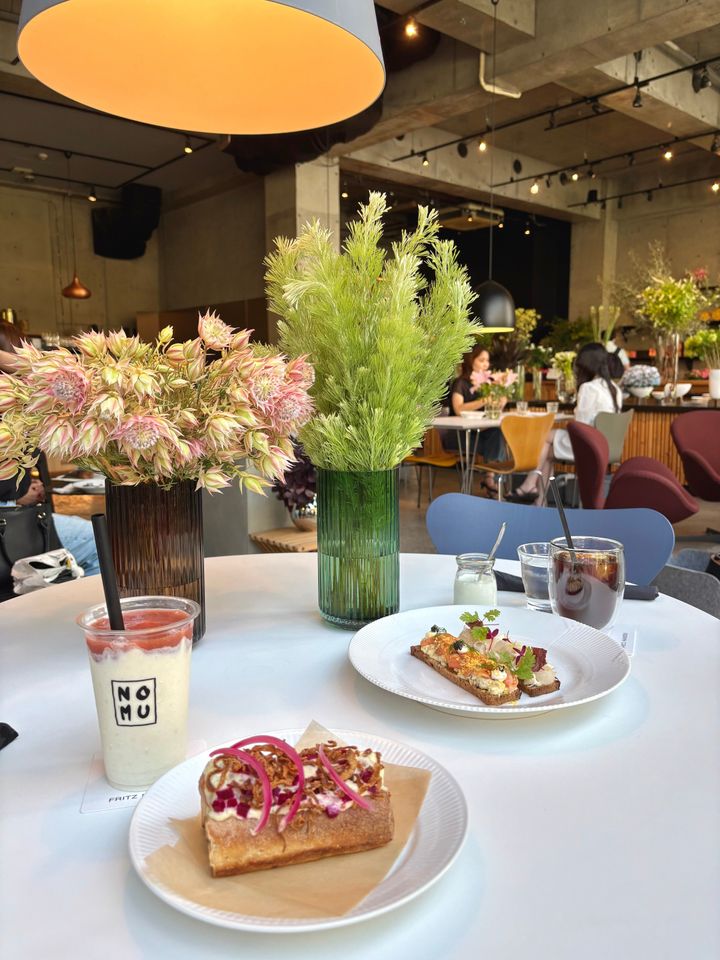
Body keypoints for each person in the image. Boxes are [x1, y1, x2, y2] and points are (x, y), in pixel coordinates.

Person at [0, 321, 100, 576]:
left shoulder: (19, 407)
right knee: (101, 542)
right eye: (18, 351)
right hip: (10, 522)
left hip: (16, 514)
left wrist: (21, 488)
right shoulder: (12, 408)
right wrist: (17, 492)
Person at [508, 342, 622, 503]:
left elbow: (581, 426)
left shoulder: (589, 388)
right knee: (547, 453)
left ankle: (531, 488)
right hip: (606, 446)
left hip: (587, 445)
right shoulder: (614, 389)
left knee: (544, 437)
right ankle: (536, 496)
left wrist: (575, 413)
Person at [445, 344, 506, 495]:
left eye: (487, 361)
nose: (486, 364)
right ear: (471, 360)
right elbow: (458, 409)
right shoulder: (460, 383)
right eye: (481, 360)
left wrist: (500, 395)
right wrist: (485, 400)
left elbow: (495, 408)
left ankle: (490, 477)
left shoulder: (486, 384)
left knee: (498, 433)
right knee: (497, 439)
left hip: (478, 434)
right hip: (459, 436)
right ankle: (492, 480)